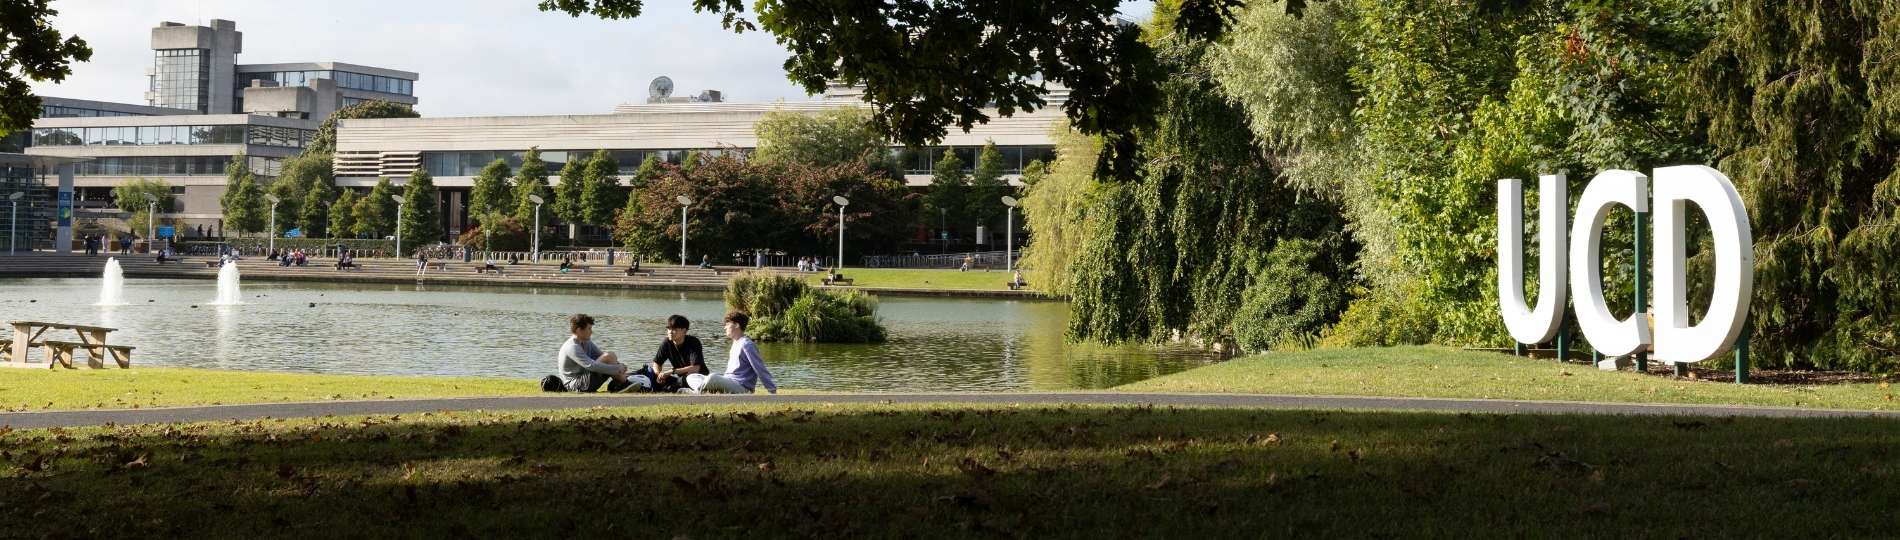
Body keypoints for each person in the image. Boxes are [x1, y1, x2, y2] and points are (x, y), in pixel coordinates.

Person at [681, 311, 777, 395]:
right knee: (692, 376)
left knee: (712, 377)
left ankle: (697, 393)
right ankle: (706, 391)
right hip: (729, 382)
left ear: (737, 325)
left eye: (727, 324)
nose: (725, 328)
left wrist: (771, 389)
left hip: (742, 387)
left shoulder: (747, 344)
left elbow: (759, 368)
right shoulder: (735, 343)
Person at [625, 314, 707, 392]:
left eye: (674, 329)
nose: (670, 332)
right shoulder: (667, 343)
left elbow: (695, 368)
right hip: (680, 378)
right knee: (648, 371)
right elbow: (657, 363)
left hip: (697, 377)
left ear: (684, 331)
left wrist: (672, 371)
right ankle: (625, 383)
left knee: (681, 381)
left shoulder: (693, 342)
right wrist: (659, 375)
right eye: (669, 329)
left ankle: (668, 389)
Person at [556, 314, 634, 393]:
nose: (591, 332)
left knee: (610, 356)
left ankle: (620, 384)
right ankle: (625, 384)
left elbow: (602, 356)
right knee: (609, 356)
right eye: (589, 329)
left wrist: (619, 365)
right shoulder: (572, 347)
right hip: (575, 385)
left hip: (584, 380)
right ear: (579, 330)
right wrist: (617, 369)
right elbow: (591, 366)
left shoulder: (586, 342)